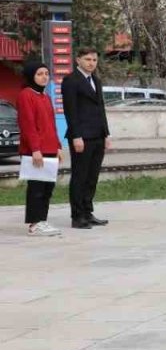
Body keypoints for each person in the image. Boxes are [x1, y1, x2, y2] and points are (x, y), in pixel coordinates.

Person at [61, 48, 111, 229]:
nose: (91, 63)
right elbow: (70, 111)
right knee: (80, 176)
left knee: (92, 177)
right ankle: (77, 216)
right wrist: (76, 136)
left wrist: (106, 133)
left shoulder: (95, 80)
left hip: (97, 135)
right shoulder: (70, 80)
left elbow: (101, 109)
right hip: (81, 137)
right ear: (78, 60)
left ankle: (88, 212)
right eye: (88, 59)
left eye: (94, 60)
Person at [17, 62, 63, 236]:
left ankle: (42, 220)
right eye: (39, 74)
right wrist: (35, 149)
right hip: (36, 151)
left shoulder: (45, 97)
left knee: (47, 188)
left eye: (46, 73)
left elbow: (51, 125)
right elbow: (28, 125)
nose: (44, 77)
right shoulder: (26, 95)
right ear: (31, 76)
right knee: (36, 188)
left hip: (50, 148)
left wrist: (57, 146)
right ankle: (34, 224)